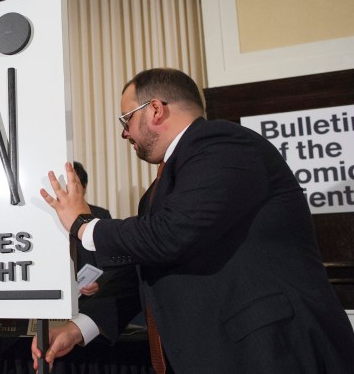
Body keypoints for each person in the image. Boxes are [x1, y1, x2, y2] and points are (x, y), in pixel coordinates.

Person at [39, 68, 354, 373]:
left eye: (127, 119)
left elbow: (171, 234)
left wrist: (82, 224)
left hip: (272, 351)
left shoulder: (222, 143)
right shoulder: (158, 191)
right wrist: (78, 328)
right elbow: (146, 271)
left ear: (156, 110)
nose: (124, 133)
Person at [31, 162, 140, 370]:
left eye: (72, 184)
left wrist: (101, 284)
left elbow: (117, 267)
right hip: (50, 310)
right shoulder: (42, 220)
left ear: (82, 187)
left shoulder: (100, 217)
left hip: (93, 308)